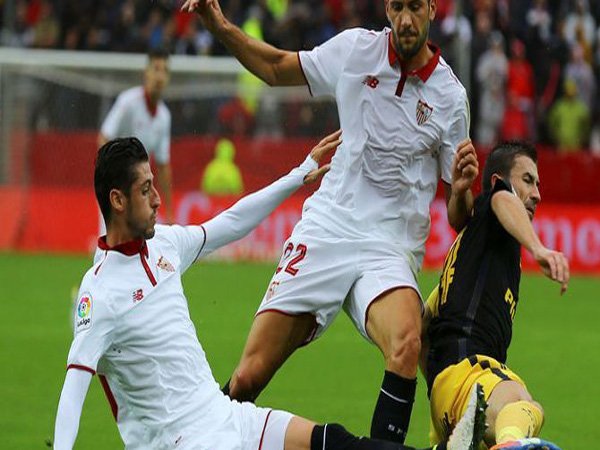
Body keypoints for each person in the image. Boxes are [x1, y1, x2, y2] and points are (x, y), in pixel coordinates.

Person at [53, 135, 487, 450]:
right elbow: (75, 387)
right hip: (181, 441)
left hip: (226, 417)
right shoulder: (101, 293)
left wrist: (298, 175)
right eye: (145, 189)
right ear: (117, 200)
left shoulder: (164, 244)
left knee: (332, 442)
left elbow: (231, 222)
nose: (158, 198)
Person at [181, 0, 479, 444]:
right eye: (397, 7)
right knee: (246, 379)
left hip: (389, 249)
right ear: (387, 8)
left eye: (415, 7)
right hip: (328, 229)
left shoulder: (450, 98)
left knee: (406, 345)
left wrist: (459, 192)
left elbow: (460, 218)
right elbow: (277, 67)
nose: (405, 19)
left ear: (432, 9)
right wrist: (220, 25)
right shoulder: (355, 51)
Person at [420, 141, 569, 450]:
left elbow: (423, 325)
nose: (537, 194)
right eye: (527, 180)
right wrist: (538, 248)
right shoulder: (493, 206)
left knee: (505, 416)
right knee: (523, 404)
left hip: (451, 393)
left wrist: (436, 386)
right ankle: (511, 444)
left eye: (538, 183)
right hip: (470, 375)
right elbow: (502, 198)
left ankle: (463, 440)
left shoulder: (472, 255)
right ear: (497, 181)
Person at [98, 47, 175, 224]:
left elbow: (163, 166)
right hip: (116, 189)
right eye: (156, 69)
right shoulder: (128, 102)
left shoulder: (164, 116)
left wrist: (170, 211)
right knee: (111, 247)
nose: (160, 76)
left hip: (140, 190)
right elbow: (103, 137)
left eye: (165, 71)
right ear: (145, 73)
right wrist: (109, 178)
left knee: (140, 246)